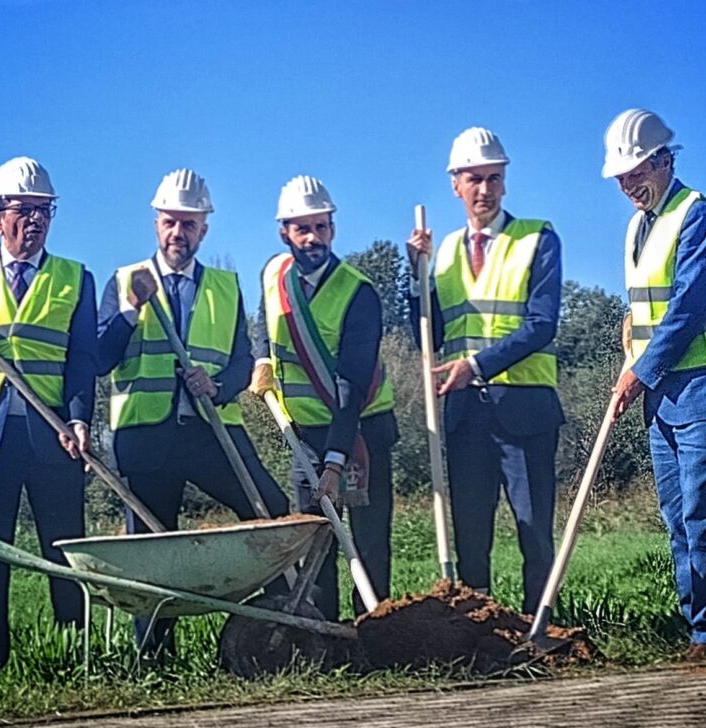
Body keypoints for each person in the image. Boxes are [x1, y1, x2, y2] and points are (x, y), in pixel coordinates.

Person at [97, 168, 289, 657]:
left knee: (270, 508)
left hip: (212, 432)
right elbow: (100, 359)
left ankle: (272, 633)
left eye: (188, 224)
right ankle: (155, 659)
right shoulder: (124, 282)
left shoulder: (224, 286)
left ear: (204, 228)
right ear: (156, 224)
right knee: (152, 550)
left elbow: (243, 359)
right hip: (146, 436)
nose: (177, 233)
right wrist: (129, 313)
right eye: (169, 223)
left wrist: (218, 385)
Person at [407, 128, 564, 614]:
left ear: (505, 181)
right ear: (456, 183)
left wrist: (474, 366)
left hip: (526, 412)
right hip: (465, 419)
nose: (485, 190)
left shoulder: (538, 237)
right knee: (472, 536)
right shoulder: (443, 253)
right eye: (475, 179)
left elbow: (542, 326)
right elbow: (427, 338)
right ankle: (480, 632)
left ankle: (542, 629)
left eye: (494, 178)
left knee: (534, 531)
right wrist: (413, 279)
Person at [250, 175, 398, 620]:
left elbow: (350, 388)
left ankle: (373, 630)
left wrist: (335, 463)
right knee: (315, 538)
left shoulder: (359, 293)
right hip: (303, 434)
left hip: (361, 433)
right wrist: (261, 359)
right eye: (302, 229)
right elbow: (264, 323)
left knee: (367, 541)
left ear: (333, 228)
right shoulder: (274, 274)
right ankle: (324, 635)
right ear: (285, 233)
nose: (313, 238)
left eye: (322, 227)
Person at [0, 157, 97, 674]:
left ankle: (71, 657)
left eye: (44, 210)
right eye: (23, 210)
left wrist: (79, 420)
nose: (35, 220)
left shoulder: (75, 278)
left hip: (53, 434)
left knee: (64, 552)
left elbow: (82, 361)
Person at [603, 109, 706, 662]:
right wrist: (630, 337)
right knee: (675, 516)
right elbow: (646, 304)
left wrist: (639, 374)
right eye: (620, 178)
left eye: (635, 173)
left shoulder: (695, 214)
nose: (627, 186)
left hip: (696, 386)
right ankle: (698, 628)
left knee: (701, 513)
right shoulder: (636, 227)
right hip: (659, 396)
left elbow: (689, 307)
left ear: (664, 161)